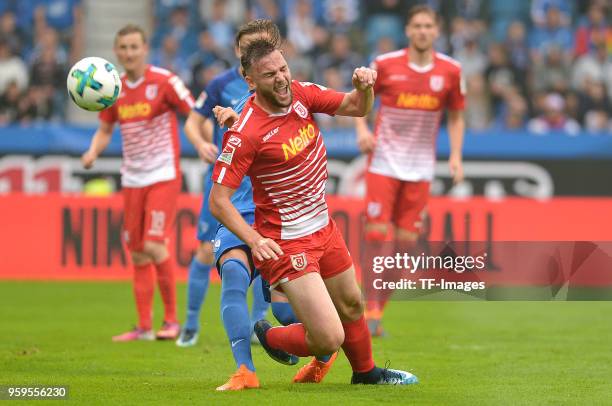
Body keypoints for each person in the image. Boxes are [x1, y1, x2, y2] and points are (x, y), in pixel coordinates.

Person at [209, 38, 418, 386]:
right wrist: (254, 239)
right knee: (328, 338)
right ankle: (269, 337)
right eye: (269, 74)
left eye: (283, 69)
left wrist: (365, 89)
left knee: (352, 303)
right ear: (250, 81)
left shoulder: (302, 94)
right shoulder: (245, 133)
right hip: (288, 244)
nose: (281, 79)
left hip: (323, 226)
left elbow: (356, 107)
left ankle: (366, 374)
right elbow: (219, 200)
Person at [354, 5, 466, 336]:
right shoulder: (385, 65)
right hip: (384, 162)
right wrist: (362, 130)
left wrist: (456, 155)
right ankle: (366, 307)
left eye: (428, 26)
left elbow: (457, 115)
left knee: (405, 248)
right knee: (375, 234)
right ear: (407, 30)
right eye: (416, 25)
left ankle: (376, 313)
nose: (422, 31)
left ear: (436, 30)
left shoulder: (451, 71)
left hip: (420, 169)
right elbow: (360, 96)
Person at [81, 24, 194, 341]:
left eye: (134, 47)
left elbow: (193, 112)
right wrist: (92, 152)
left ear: (145, 49)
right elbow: (104, 130)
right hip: (132, 178)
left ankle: (171, 321)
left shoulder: (165, 81)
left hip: (162, 174)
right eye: (124, 48)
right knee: (138, 252)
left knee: (155, 244)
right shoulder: (111, 88)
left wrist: (200, 141)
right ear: (116, 52)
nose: (129, 53)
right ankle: (144, 326)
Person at [176, 20, 274, 356]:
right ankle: (189, 324)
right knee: (207, 251)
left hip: (263, 185)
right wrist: (202, 143)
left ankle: (261, 324)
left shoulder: (279, 83)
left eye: (261, 44)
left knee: (268, 253)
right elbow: (192, 121)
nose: (254, 51)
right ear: (237, 50)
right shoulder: (221, 84)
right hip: (227, 184)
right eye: (248, 46)